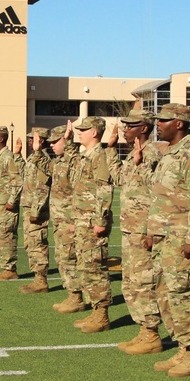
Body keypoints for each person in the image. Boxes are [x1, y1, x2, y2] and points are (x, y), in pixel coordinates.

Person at [147, 103, 190, 377]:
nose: (158, 125)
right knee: (168, 295)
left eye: (163, 120)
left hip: (182, 238)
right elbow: (163, 198)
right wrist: (153, 230)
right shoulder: (170, 154)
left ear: (179, 124)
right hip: (165, 237)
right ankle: (183, 348)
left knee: (185, 297)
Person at [108, 109, 165, 355]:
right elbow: (118, 178)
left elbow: (158, 192)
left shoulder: (151, 154)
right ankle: (143, 330)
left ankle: (151, 333)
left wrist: (153, 230)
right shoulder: (134, 154)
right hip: (131, 229)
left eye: (131, 125)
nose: (125, 129)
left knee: (143, 283)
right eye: (124, 125)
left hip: (143, 231)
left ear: (144, 128)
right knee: (130, 282)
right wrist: (110, 150)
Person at [70, 116, 116, 333]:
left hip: (92, 222)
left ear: (95, 132)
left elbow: (104, 190)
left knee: (95, 268)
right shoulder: (85, 156)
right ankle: (95, 309)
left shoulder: (100, 156)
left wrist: (100, 220)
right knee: (85, 267)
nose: (80, 132)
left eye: (84, 129)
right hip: (82, 220)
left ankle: (102, 314)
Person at [46, 125, 85, 314]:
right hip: (60, 219)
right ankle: (71, 293)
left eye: (56, 141)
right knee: (62, 258)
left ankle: (77, 297)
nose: (52, 145)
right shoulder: (59, 162)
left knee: (70, 258)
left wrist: (73, 220)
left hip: (69, 220)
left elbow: (79, 191)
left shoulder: (74, 161)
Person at [17, 128, 52, 294]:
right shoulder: (33, 157)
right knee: (29, 243)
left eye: (33, 139)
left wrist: (36, 210)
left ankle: (41, 280)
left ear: (42, 141)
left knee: (37, 243)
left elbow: (43, 187)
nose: (30, 141)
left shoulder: (43, 159)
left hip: (36, 210)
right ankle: (37, 278)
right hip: (29, 206)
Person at [0, 125, 22, 280]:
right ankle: (6, 268)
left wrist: (12, 200)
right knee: (1, 235)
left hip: (6, 204)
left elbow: (18, 181)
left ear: (1, 139)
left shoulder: (8, 157)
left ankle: (9, 269)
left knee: (6, 235)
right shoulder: (0, 156)